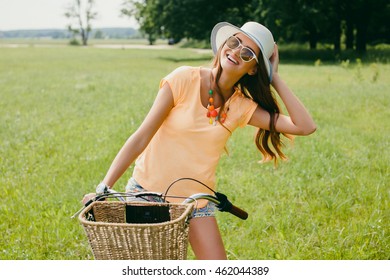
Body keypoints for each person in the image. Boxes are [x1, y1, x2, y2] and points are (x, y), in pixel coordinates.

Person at [83, 21, 316, 259]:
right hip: (148, 194)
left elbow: (305, 126)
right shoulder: (184, 79)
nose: (236, 51)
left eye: (247, 53)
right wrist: (103, 187)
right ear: (225, 43)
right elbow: (141, 136)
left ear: (253, 69)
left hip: (197, 204)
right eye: (235, 42)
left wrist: (274, 77)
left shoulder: (240, 106)